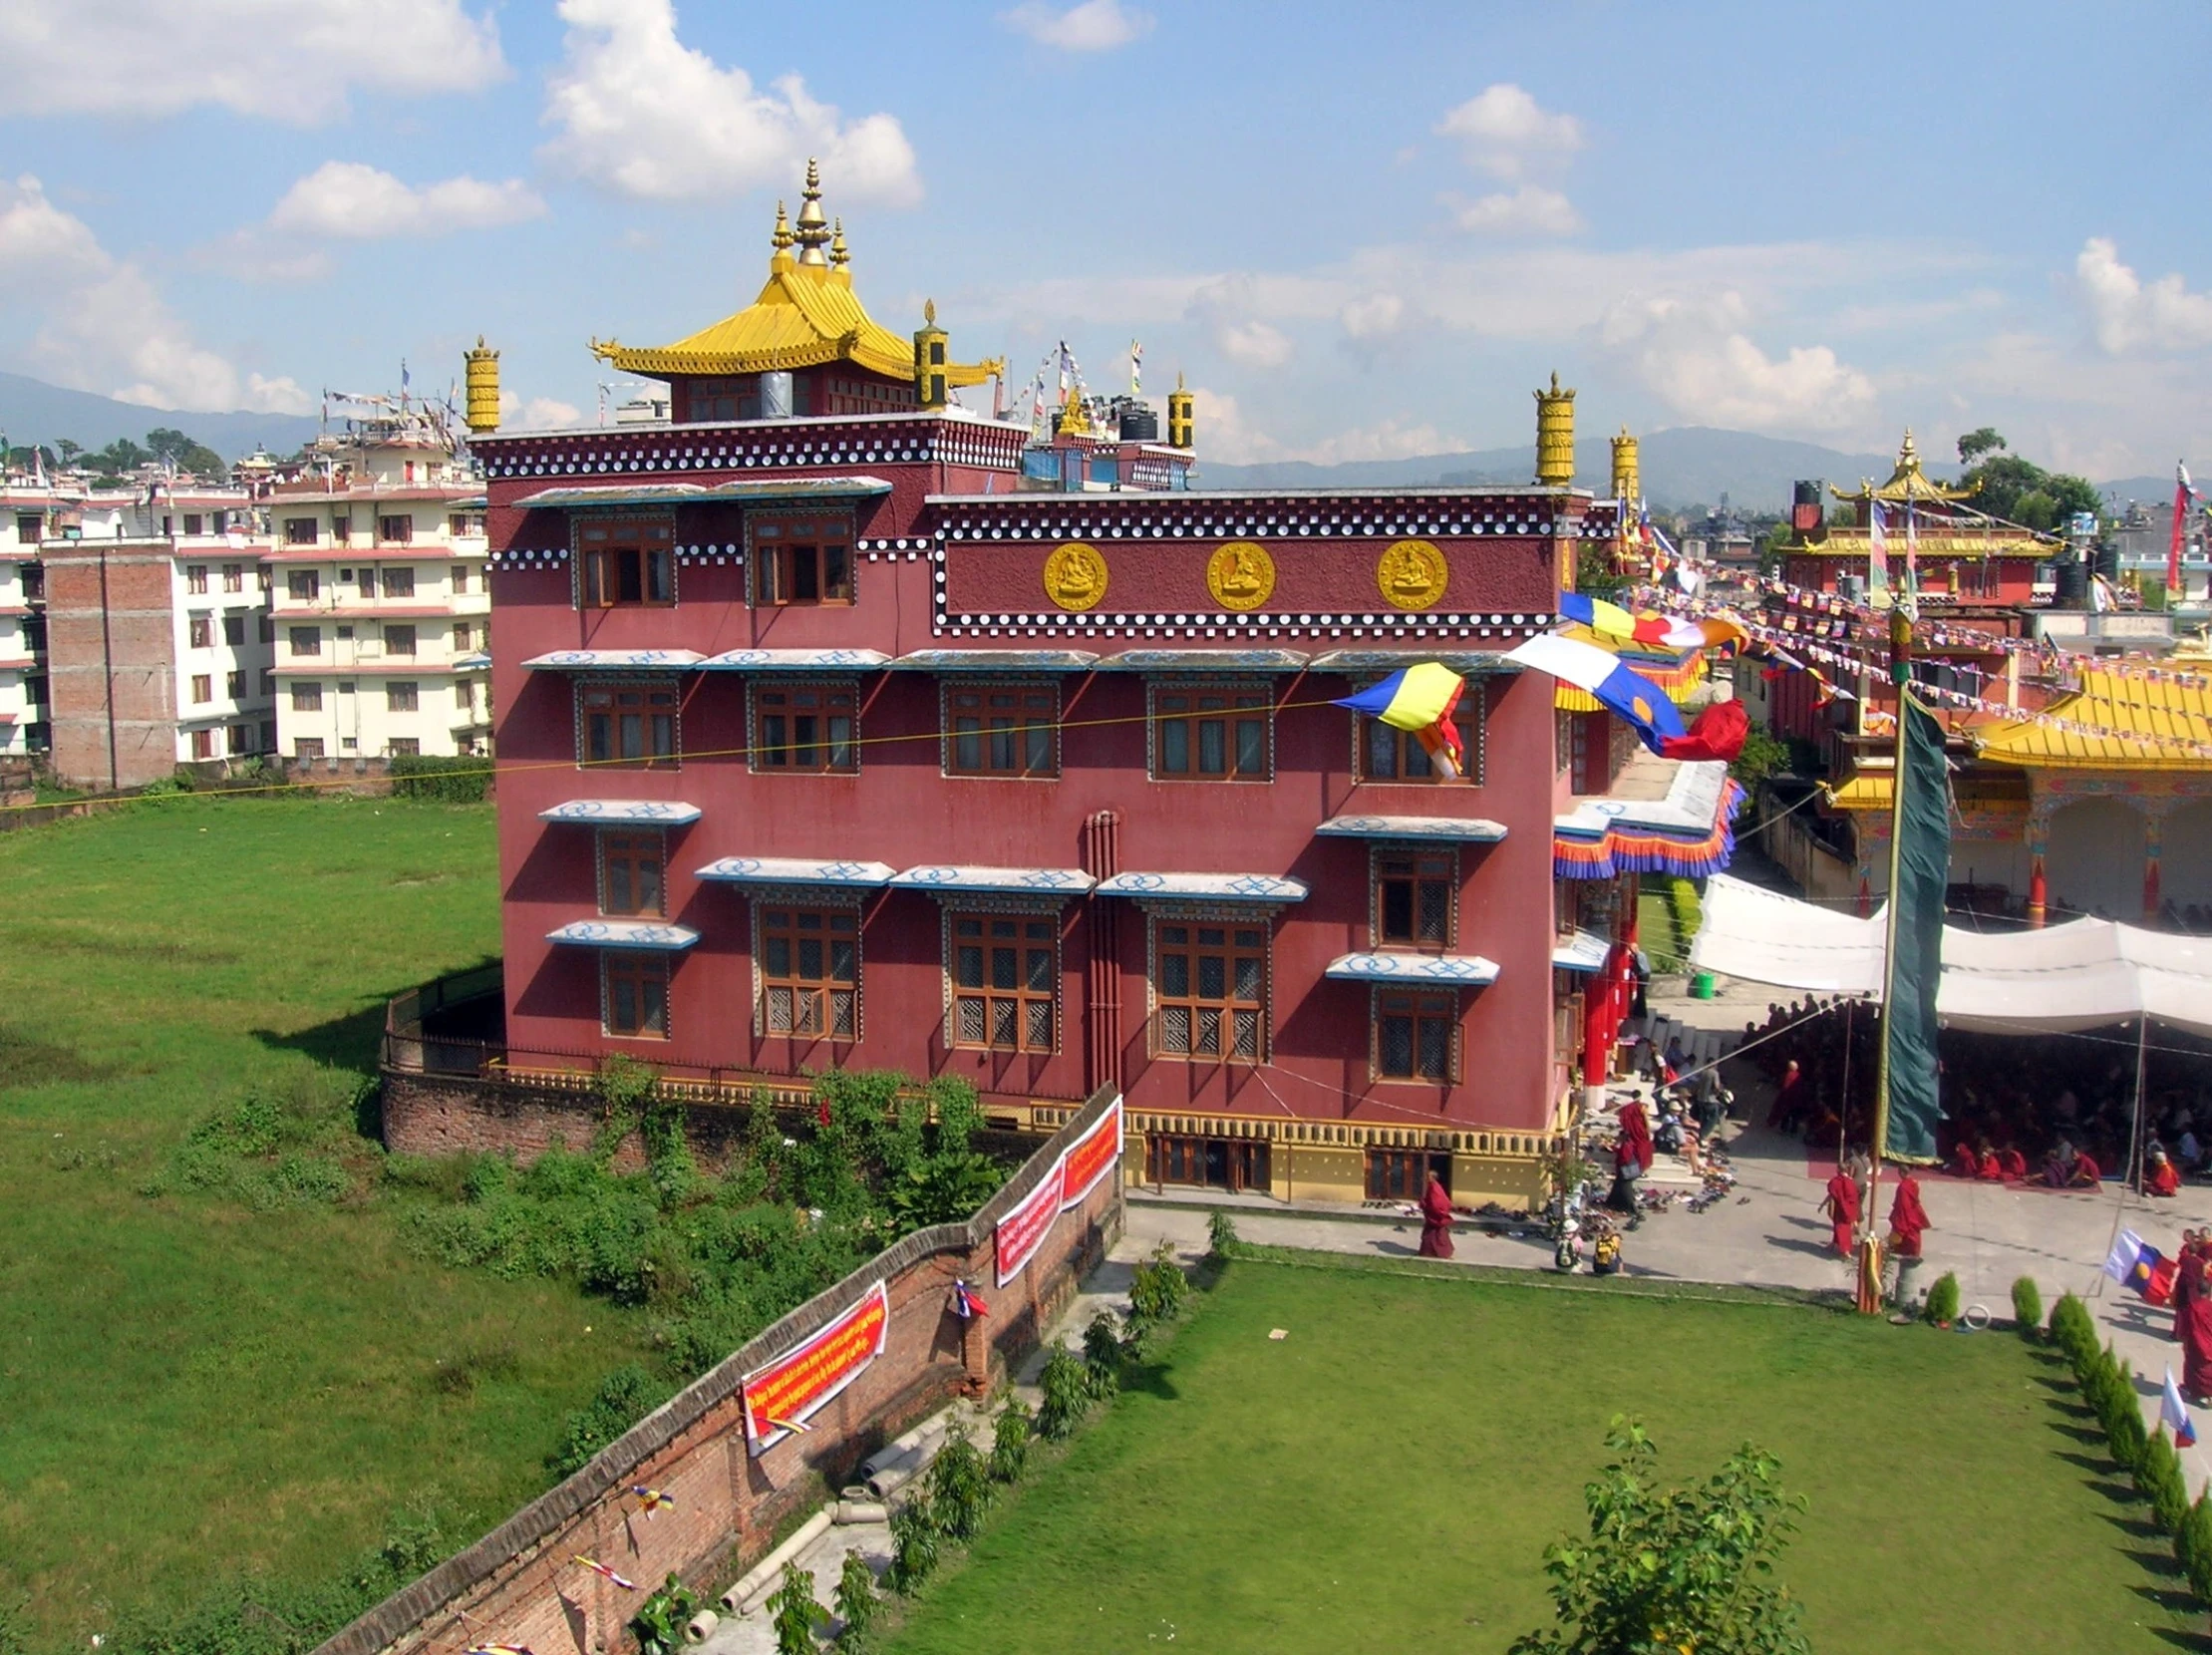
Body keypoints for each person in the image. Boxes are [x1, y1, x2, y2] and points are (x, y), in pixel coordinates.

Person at [1887, 1165, 1930, 1307]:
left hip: (1906, 1214)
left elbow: (1903, 1205)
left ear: (1901, 1173)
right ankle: (1910, 1251)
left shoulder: (1903, 1187)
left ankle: (1903, 1251)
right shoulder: (1914, 1183)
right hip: (1914, 1211)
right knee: (1914, 1234)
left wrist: (1900, 1215)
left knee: (1903, 1232)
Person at [2183, 1237, 2212, 1407]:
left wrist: (2185, 1342)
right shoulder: (2210, 1307)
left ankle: (2195, 1392)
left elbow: (2188, 1327)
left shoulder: (2192, 1307)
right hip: (2209, 1341)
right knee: (2209, 1370)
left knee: (2194, 1366)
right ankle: (2210, 1396)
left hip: (2196, 1342)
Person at [1823, 1160, 1862, 1257]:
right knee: (1844, 1228)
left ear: (1838, 1169)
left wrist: (1824, 1205)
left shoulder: (1835, 1181)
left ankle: (1845, 1251)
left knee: (1841, 1228)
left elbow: (1832, 1193)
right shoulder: (1851, 1182)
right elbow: (1855, 1197)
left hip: (1839, 1208)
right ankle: (1834, 1244)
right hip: (1849, 1208)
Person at [1418, 1172, 1455, 1258]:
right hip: (1432, 1216)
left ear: (1433, 1178)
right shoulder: (1432, 1186)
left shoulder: (1435, 1188)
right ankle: (1428, 1252)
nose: (1425, 1178)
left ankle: (1442, 1253)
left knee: (1437, 1236)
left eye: (1428, 1176)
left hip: (1436, 1216)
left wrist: (1425, 1205)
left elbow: (1437, 1203)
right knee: (1430, 1236)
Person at [1767, 1060, 1806, 1135]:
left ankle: (1784, 1129)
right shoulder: (1799, 1077)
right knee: (1795, 1116)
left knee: (1786, 1114)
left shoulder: (1789, 1075)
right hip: (1797, 1099)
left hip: (1789, 1099)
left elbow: (1785, 1086)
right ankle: (1793, 1131)